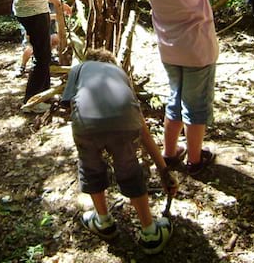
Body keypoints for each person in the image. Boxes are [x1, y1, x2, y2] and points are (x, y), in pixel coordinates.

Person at [134, 0, 240, 175]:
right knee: (195, 106)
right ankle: (195, 160)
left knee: (175, 99)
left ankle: (170, 153)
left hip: (170, 51)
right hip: (197, 52)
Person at [61, 48, 178, 255]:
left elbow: (72, 105)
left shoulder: (78, 69)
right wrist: (163, 170)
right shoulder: (119, 73)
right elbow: (141, 125)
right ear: (111, 62)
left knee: (90, 166)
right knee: (129, 168)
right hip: (126, 123)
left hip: (85, 124)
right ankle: (150, 232)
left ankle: (103, 221)